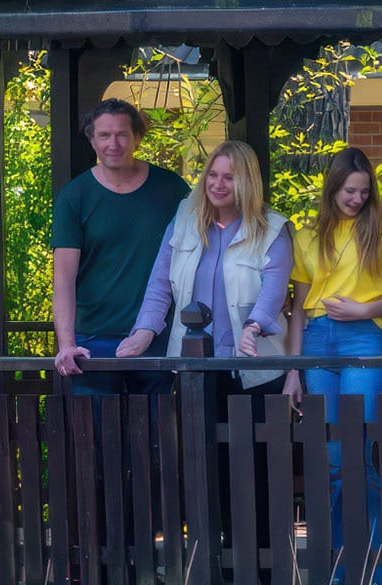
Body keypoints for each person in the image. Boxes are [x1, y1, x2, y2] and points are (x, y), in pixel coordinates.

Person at [285, 148, 382, 585]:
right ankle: (341, 566)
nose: (357, 199)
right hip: (318, 341)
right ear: (332, 187)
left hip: (363, 338)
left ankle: (375, 567)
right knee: (335, 459)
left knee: (361, 455)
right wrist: (292, 371)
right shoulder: (306, 236)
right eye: (349, 191)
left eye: (364, 192)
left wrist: (362, 312)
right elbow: (298, 310)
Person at [124, 140, 292, 391]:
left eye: (229, 177)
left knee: (250, 431)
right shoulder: (184, 219)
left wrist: (253, 326)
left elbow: (274, 291)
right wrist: (145, 330)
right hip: (193, 362)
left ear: (247, 182)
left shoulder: (273, 229)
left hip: (254, 364)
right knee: (195, 430)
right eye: (212, 175)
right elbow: (159, 284)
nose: (217, 184)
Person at [50, 96, 191, 392]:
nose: (113, 143)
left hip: (158, 334)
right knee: (98, 431)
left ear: (137, 138)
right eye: (104, 135)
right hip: (92, 337)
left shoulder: (172, 189)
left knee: (156, 430)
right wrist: (67, 345)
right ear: (92, 140)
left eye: (121, 134)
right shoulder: (75, 196)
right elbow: (63, 279)